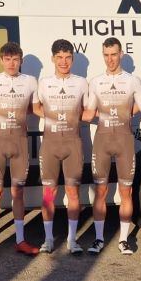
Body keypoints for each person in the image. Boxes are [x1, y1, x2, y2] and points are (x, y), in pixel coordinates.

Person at [86, 38, 141, 255]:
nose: (110, 59)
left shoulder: (132, 81)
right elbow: (89, 113)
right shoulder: (96, 82)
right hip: (102, 142)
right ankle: (98, 239)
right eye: (106, 55)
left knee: (126, 191)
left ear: (121, 54)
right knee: (101, 191)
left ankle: (123, 240)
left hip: (124, 142)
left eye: (114, 54)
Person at [34, 39, 94, 254]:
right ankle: (48, 239)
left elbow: (89, 112)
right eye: (59, 57)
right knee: (48, 193)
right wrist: (53, 115)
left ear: (72, 59)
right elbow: (35, 107)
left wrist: (73, 117)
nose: (63, 62)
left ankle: (71, 240)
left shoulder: (81, 83)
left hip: (73, 144)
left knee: (73, 192)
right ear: (53, 59)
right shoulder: (44, 83)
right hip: (50, 144)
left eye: (68, 57)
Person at [0, 42, 40, 257]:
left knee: (18, 192)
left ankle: (20, 240)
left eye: (15, 59)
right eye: (7, 59)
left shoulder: (30, 81)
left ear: (20, 61)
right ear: (1, 60)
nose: (11, 63)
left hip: (20, 142)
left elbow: (34, 108)